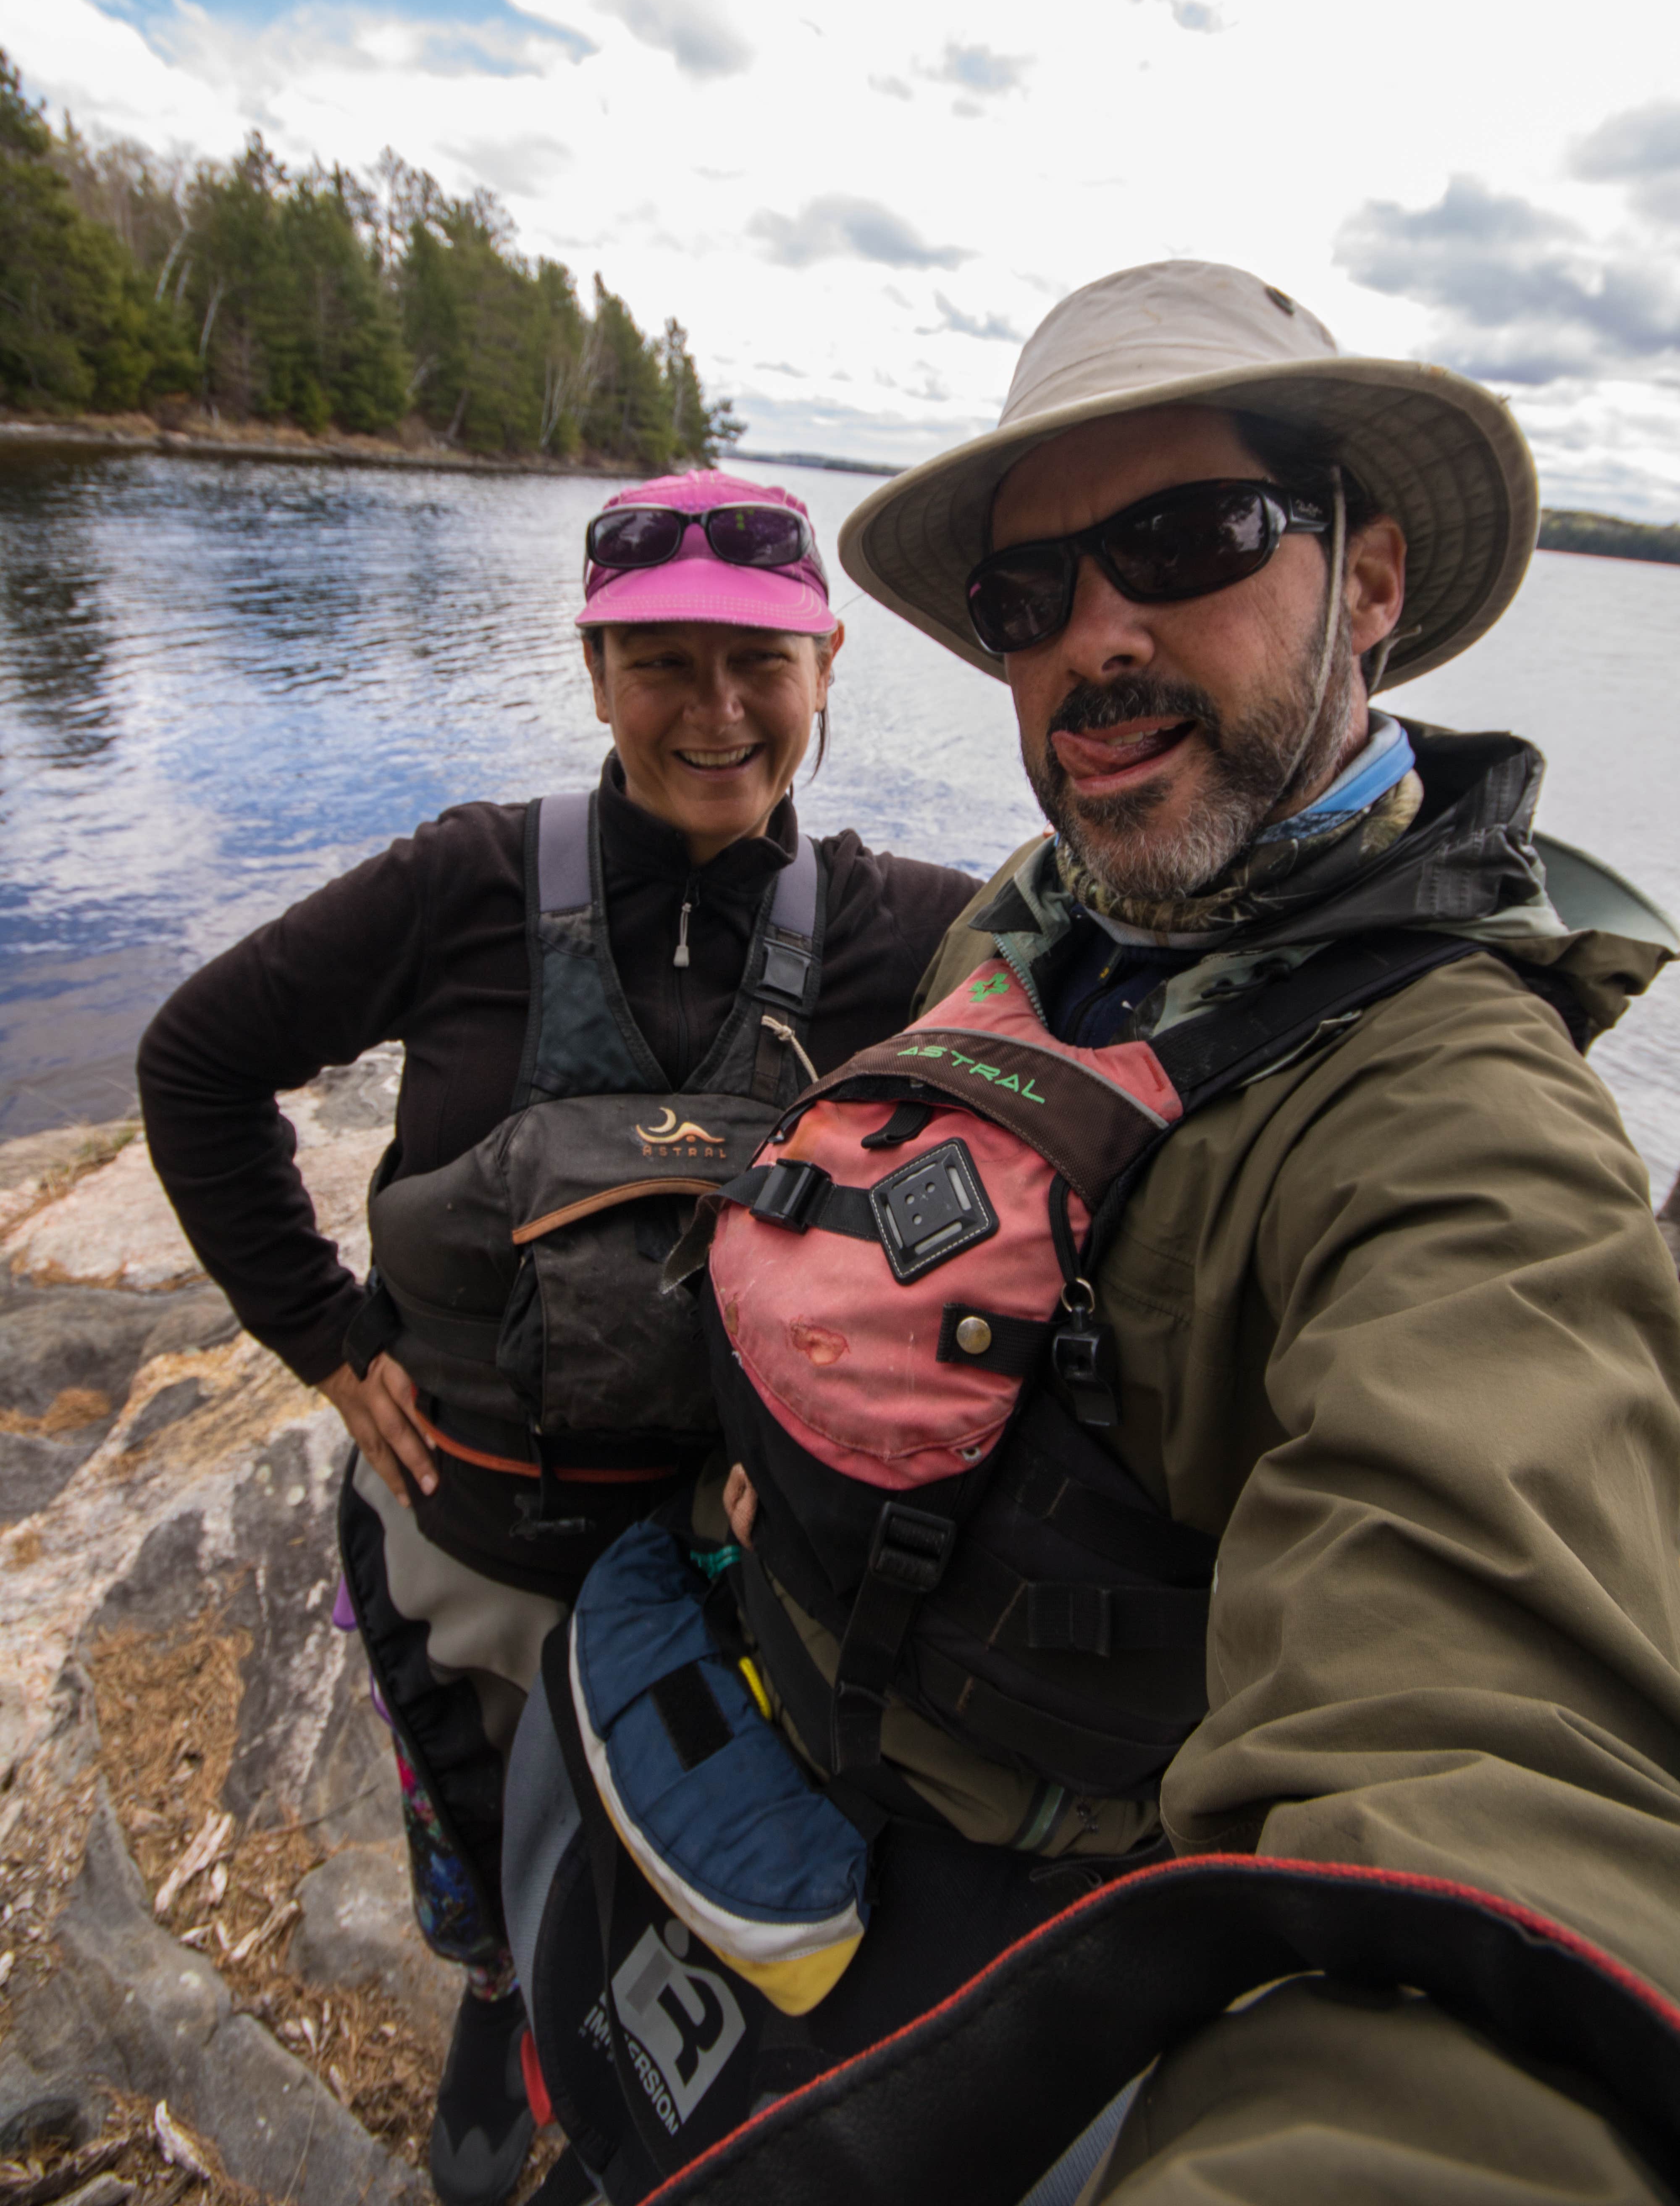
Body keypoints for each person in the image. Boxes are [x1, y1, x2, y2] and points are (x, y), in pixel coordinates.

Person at [507, 268, 1680, 2202]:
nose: (1092, 641)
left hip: (1013, 1893)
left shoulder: (1456, 1121)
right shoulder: (1046, 914)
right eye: (1027, 596)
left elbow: (1496, 1766)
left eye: (1185, 538)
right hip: (763, 1716)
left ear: (1366, 578)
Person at [135, 468, 978, 2206]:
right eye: (661, 662)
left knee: (704, 1852)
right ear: (594, 677)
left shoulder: (907, 932)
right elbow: (196, 1063)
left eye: (758, 664)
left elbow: (1113, 1029)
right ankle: (500, 1993)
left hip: (733, 1577)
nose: (716, 711)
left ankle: (657, 2047)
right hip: (470, 1547)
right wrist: (315, 1329)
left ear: (828, 666)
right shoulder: (464, 884)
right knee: (479, 1821)